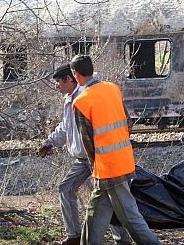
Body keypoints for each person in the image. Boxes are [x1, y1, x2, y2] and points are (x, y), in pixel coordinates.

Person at [70, 55, 161, 245]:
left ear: (75, 75)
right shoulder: (112, 89)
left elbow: (88, 143)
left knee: (130, 216)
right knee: (96, 210)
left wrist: (95, 168)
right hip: (124, 159)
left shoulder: (81, 102)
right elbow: (127, 122)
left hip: (108, 168)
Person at [38, 63, 131, 245]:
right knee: (65, 189)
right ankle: (74, 236)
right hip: (83, 159)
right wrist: (49, 142)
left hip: (98, 157)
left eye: (58, 81)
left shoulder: (84, 97)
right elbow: (66, 127)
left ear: (69, 79)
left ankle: (122, 240)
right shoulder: (69, 99)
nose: (56, 85)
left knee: (111, 198)